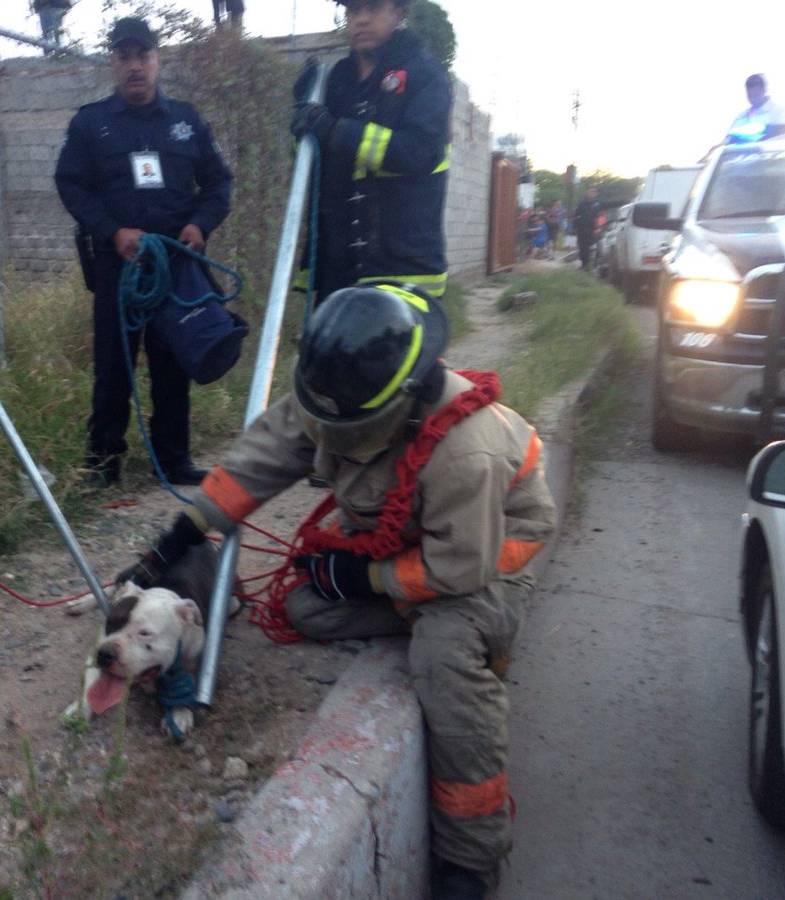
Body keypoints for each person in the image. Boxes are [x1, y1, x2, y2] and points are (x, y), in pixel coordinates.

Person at [116, 284, 556, 900]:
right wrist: (177, 537)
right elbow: (256, 463)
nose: (324, 442)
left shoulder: (466, 452)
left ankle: (470, 859)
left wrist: (363, 578)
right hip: (405, 541)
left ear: (404, 402)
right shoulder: (339, 396)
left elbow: (459, 567)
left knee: (443, 657)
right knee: (305, 607)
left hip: (486, 555)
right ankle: (420, 614)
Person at [54, 17, 233, 488]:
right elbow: (70, 184)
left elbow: (219, 184)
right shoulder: (91, 124)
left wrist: (200, 224)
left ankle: (173, 460)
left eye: (143, 56)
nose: (135, 66)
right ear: (113, 62)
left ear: (157, 60)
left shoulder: (186, 121)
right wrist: (112, 232)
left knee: (172, 363)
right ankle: (103, 462)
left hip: (174, 263)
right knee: (114, 364)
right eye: (125, 57)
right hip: (119, 265)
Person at [291, 0, 451, 304]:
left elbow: (420, 153)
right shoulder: (337, 80)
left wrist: (336, 131)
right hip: (338, 273)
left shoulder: (425, 75)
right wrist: (301, 125)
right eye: (353, 10)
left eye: (373, 8)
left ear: (398, 12)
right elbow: (311, 169)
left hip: (401, 273)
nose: (361, 19)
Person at [726, 73, 785, 143]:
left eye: (756, 95)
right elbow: (728, 139)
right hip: (741, 153)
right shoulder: (741, 116)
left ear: (764, 90)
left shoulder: (778, 111)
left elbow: (782, 138)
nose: (753, 99)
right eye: (750, 95)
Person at [572, 186, 600, 270]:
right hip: (581, 228)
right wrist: (574, 227)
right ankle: (583, 263)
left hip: (591, 228)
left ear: (596, 194)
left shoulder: (598, 203)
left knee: (588, 246)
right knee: (581, 246)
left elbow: (610, 204)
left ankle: (587, 264)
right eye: (588, 192)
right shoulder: (582, 203)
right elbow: (576, 216)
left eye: (592, 192)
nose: (589, 194)